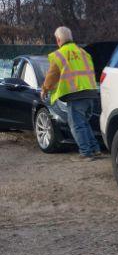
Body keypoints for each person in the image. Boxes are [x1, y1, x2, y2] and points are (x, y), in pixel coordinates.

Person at [41, 26, 102, 161]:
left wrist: (45, 88)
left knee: (77, 125)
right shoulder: (83, 53)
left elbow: (52, 75)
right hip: (91, 93)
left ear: (58, 40)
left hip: (76, 95)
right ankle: (95, 149)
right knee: (84, 123)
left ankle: (86, 153)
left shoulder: (60, 54)